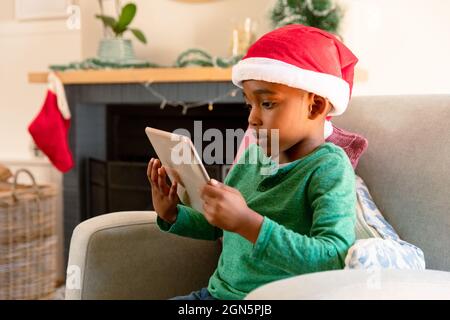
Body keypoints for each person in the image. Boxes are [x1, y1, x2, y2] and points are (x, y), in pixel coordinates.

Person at [147, 24, 359, 300]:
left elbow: (334, 258)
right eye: (249, 105)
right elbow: (218, 225)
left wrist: (249, 223)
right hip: (215, 296)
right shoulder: (253, 158)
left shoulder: (328, 167)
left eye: (267, 104)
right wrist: (173, 213)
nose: (252, 118)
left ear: (315, 106)